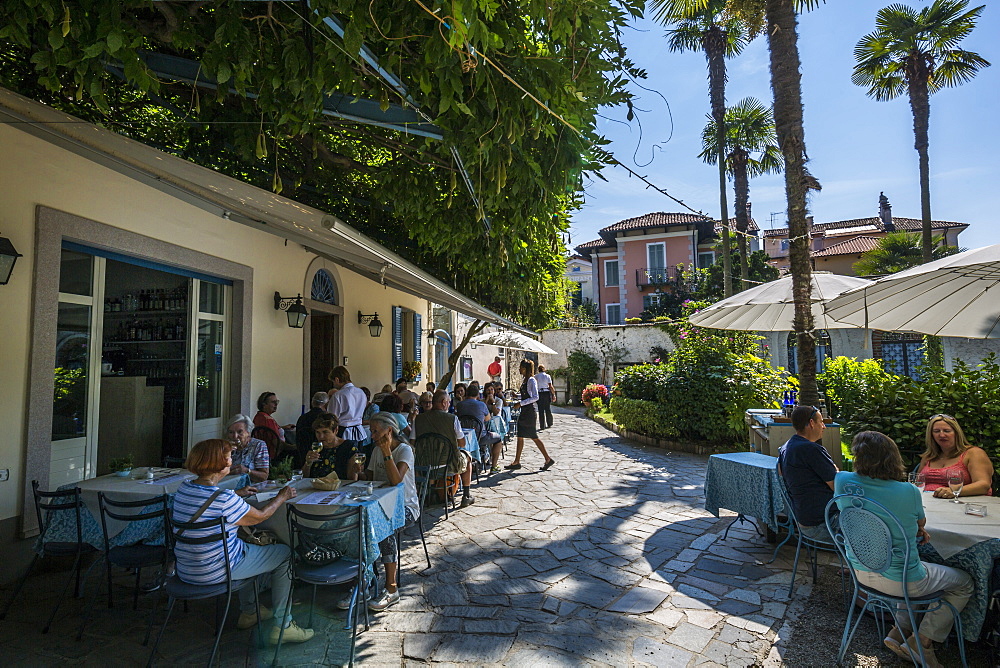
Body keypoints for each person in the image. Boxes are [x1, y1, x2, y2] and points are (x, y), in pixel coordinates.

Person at [836, 431, 973, 667]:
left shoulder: (842, 481)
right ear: (892, 458)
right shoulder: (908, 491)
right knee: (964, 583)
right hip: (903, 581)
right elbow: (921, 526)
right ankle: (922, 642)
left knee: (907, 564)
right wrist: (914, 530)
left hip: (861, 573)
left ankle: (898, 632)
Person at [173, 439, 314, 644]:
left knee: (249, 545)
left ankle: (250, 612)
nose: (231, 461)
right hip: (215, 571)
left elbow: (209, 499)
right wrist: (282, 496)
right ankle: (283, 626)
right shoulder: (223, 499)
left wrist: (236, 494)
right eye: (229, 457)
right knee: (285, 554)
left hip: (186, 569)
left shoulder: (184, 489)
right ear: (219, 464)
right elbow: (261, 515)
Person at [345, 412, 419, 612]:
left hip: (405, 508)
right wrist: (355, 471)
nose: (372, 436)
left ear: (389, 431)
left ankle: (391, 588)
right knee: (355, 526)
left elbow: (396, 481)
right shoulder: (377, 450)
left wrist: (387, 451)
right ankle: (366, 582)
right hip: (377, 505)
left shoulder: (404, 451)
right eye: (371, 431)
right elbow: (369, 476)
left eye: (375, 431)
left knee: (384, 530)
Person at [414, 390, 475, 507]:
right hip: (447, 465)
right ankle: (466, 495)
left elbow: (413, 442)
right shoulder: (451, 419)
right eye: (448, 402)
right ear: (443, 403)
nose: (449, 404)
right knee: (467, 457)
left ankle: (430, 493)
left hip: (423, 465)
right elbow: (462, 443)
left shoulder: (418, 419)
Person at [917, 414, 994, 498]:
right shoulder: (929, 456)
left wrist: (954, 490)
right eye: (936, 431)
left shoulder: (973, 453)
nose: (942, 435)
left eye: (947, 431)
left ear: (956, 433)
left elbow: (983, 485)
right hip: (926, 503)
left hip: (960, 504)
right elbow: (918, 482)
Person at [504, 359, 555, 472]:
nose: (519, 369)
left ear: (525, 368)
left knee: (534, 436)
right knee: (520, 436)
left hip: (529, 412)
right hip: (525, 411)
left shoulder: (532, 380)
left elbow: (535, 397)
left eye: (521, 367)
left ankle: (547, 458)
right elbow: (526, 395)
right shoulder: (525, 380)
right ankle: (517, 461)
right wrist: (517, 396)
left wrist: (520, 403)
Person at [327, 366, 368, 465]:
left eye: (333, 381)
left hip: (343, 431)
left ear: (337, 379)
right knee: (358, 463)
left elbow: (332, 417)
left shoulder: (339, 395)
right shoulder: (361, 392)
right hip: (359, 431)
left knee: (344, 462)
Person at [302, 413, 350, 479]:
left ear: (335, 430)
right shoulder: (316, 447)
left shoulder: (348, 447)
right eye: (317, 432)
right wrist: (308, 463)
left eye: (325, 432)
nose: (320, 437)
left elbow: (352, 479)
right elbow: (304, 477)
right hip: (316, 487)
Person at [225, 414, 270, 483]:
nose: (235, 436)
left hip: (250, 487)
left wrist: (247, 471)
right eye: (231, 432)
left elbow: (264, 476)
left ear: (248, 432)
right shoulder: (224, 446)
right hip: (227, 485)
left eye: (240, 432)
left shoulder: (258, 445)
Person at [294, 392, 329, 467]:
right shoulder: (325, 419)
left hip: (302, 454)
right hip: (322, 456)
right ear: (326, 404)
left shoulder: (302, 418)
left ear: (312, 403)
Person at [534, 364, 555, 430]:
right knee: (547, 409)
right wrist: (553, 394)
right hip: (546, 392)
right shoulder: (547, 376)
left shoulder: (536, 376)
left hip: (539, 393)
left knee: (541, 410)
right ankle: (549, 423)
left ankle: (542, 425)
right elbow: (550, 386)